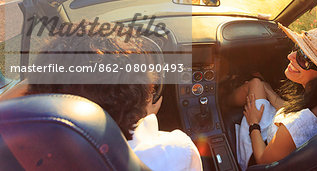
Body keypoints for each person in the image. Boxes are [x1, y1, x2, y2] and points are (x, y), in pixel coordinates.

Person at [4, 25, 202, 171]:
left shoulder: (23, 159)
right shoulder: (178, 150)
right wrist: (142, 115)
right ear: (144, 94)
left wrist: (45, 73)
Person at [233, 23, 317, 169]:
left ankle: (220, 101)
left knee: (253, 84)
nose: (290, 56)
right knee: (260, 84)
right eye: (298, 48)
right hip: (278, 137)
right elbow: (299, 114)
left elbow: (262, 161)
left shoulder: (295, 126)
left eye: (303, 58)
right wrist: (270, 94)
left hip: (261, 149)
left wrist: (254, 124)